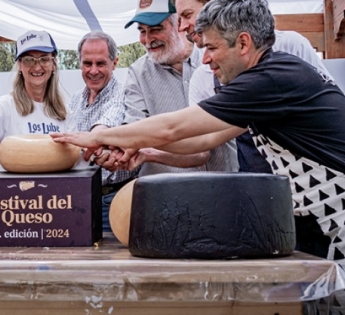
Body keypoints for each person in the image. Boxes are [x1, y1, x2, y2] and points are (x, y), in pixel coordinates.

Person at [52, 0, 345, 265]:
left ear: (243, 43)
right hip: (319, 221)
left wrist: (98, 136)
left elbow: (173, 127)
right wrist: (144, 150)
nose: (204, 60)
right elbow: (204, 139)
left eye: (213, 48)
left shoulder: (269, 79)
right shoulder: (268, 82)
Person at [176, 0, 334, 173]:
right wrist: (149, 145)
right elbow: (203, 140)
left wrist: (146, 135)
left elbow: (329, 103)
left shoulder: (289, 50)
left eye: (187, 15)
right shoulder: (203, 77)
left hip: (320, 176)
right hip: (259, 182)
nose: (182, 27)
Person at [119, 0, 237, 176]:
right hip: (165, 195)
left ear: (180, 24)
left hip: (225, 188)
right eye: (142, 31)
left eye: (156, 29)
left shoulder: (217, 60)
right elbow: (134, 129)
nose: (147, 39)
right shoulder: (138, 73)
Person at [69, 30, 136, 232]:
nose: (93, 70)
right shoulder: (74, 101)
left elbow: (106, 123)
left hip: (113, 200)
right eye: (87, 63)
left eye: (101, 63)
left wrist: (94, 138)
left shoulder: (123, 94)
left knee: (114, 261)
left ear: (114, 63)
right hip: (78, 198)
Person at [0, 30, 76, 147]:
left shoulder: (65, 113)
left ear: (54, 63)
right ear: (20, 65)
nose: (37, 67)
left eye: (44, 59)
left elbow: (76, 154)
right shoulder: (4, 107)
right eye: (29, 60)